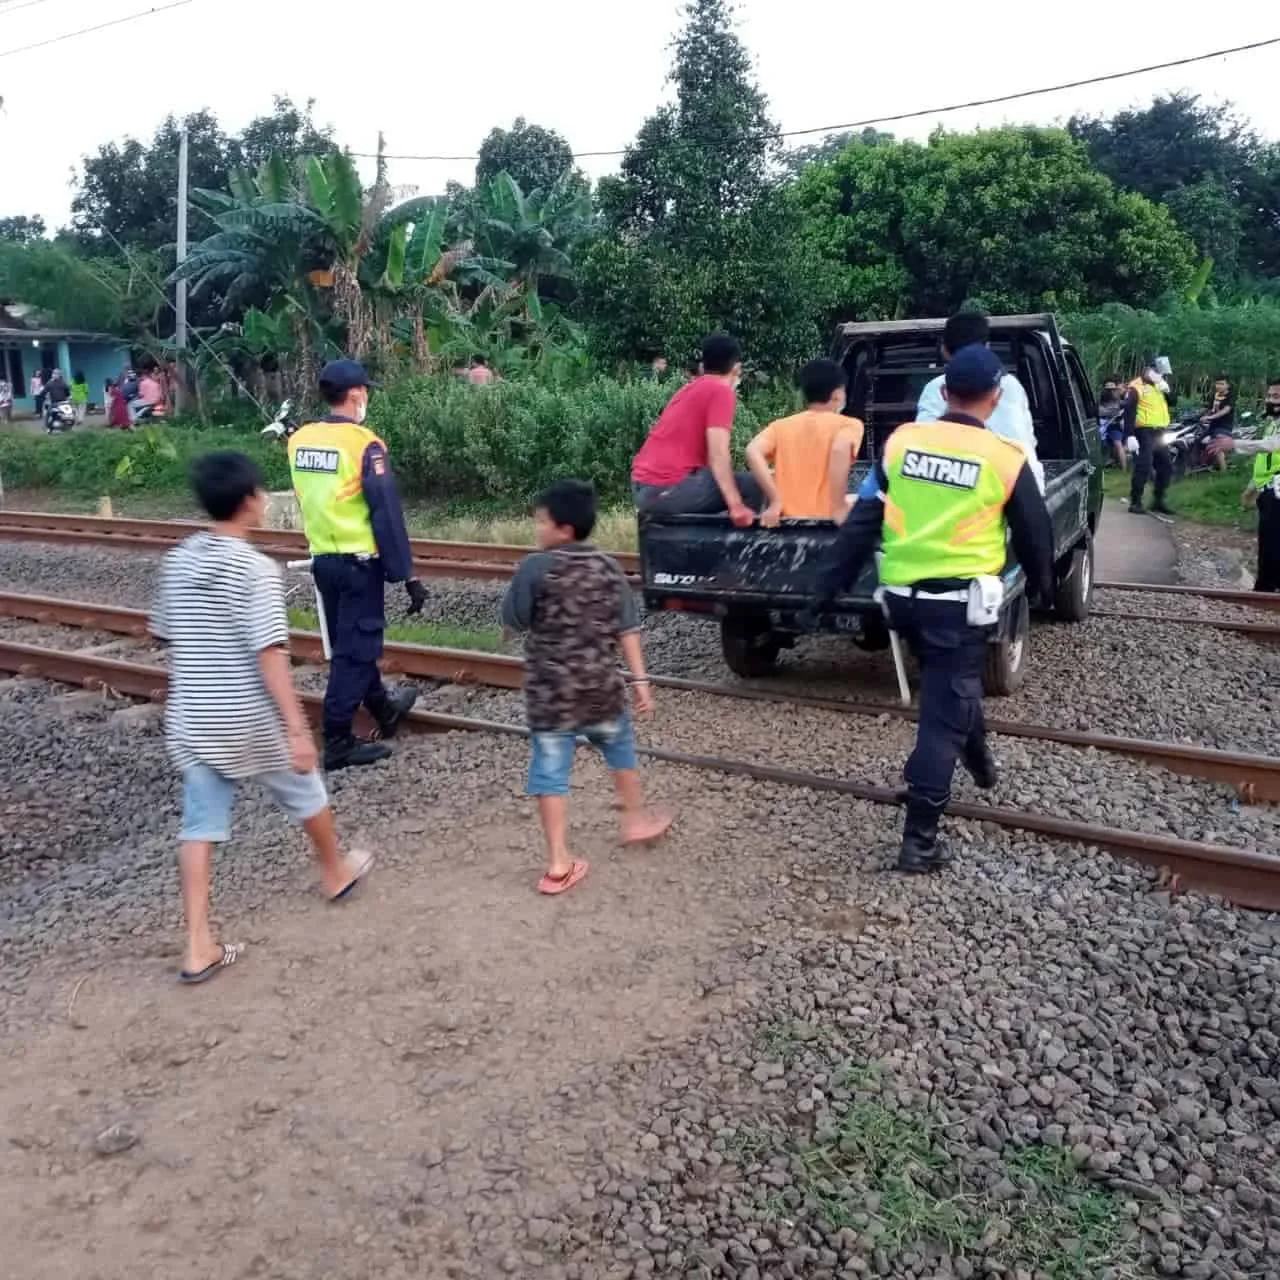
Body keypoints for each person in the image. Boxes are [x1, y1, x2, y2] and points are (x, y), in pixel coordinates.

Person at [812, 346, 1054, 874]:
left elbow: (862, 522)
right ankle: (920, 840)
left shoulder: (901, 443)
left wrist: (826, 589)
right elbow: (1037, 536)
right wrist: (1041, 591)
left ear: (944, 394)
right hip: (959, 609)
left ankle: (980, 759)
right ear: (995, 397)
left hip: (901, 604)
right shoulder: (1005, 458)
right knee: (940, 717)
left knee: (953, 688)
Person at [149, 451, 375, 985]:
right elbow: (269, 652)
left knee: (199, 824)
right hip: (245, 716)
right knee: (306, 789)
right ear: (251, 502)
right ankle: (335, 872)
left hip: (193, 715)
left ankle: (198, 943)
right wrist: (298, 729)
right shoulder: (254, 569)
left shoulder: (179, 559)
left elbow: (162, 630)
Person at [501, 479, 673, 895]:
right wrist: (642, 681)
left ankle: (558, 861)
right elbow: (627, 628)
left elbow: (515, 620)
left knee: (550, 771)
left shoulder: (534, 567)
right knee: (620, 749)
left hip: (551, 695)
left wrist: (511, 630)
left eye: (541, 521)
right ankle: (634, 819)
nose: (537, 528)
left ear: (563, 528)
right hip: (601, 688)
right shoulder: (609, 567)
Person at [287, 359, 428, 770]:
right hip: (358, 563)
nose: (367, 397)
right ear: (355, 394)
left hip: (323, 561)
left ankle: (383, 709)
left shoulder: (300, 440)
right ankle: (337, 740)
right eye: (366, 390)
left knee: (350, 645)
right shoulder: (366, 444)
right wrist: (408, 575)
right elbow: (385, 512)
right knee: (356, 651)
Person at [631, 331, 762, 524]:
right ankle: (738, 548)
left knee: (723, 483)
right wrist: (735, 505)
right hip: (666, 490)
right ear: (737, 368)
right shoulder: (721, 392)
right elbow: (718, 454)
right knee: (756, 484)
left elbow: (709, 459)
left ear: (703, 366)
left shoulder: (688, 389)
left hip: (644, 488)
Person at [915, 312, 1045, 492]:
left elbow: (922, 453)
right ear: (995, 398)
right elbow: (1024, 447)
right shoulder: (1010, 386)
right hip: (1016, 490)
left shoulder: (932, 390)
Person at [744, 358, 864, 524]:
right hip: (826, 523)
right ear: (837, 394)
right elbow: (840, 448)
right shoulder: (849, 425)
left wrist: (775, 500)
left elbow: (752, 450)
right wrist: (839, 507)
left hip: (787, 522)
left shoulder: (781, 427)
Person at [1207, 378, 1280, 592]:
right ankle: (1265, 590)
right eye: (1269, 395)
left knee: (1274, 543)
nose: (1270, 400)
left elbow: (1272, 445)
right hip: (1270, 489)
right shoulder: (1273, 423)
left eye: (1276, 396)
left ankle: (1268, 591)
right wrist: (1252, 487)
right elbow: (1266, 461)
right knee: (1268, 542)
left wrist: (1235, 444)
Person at [1124, 360, 1173, 515]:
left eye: (1162, 374)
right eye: (1158, 373)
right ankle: (1135, 501)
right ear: (1148, 370)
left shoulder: (1159, 386)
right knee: (1144, 466)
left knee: (1166, 466)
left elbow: (1173, 402)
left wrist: (1167, 389)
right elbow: (1129, 412)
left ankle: (1158, 500)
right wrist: (1129, 435)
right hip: (1143, 431)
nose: (1160, 376)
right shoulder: (1136, 387)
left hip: (1160, 431)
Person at [1200, 375, 1235, 471]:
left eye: (1222, 384)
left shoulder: (1230, 396)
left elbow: (1226, 410)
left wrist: (1210, 417)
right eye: (1217, 383)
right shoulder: (1214, 395)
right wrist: (1201, 415)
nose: (1219, 386)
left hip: (1224, 426)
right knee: (1198, 440)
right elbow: (1209, 409)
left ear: (1227, 385)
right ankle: (1202, 465)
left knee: (1217, 445)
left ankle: (1224, 472)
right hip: (1212, 426)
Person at [1098, 375, 1128, 470]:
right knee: (1114, 445)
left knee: (1119, 445)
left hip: (1117, 424)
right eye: (1108, 388)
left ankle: (1121, 465)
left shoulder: (1119, 398)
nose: (1110, 390)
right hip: (1109, 424)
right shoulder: (1102, 398)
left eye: (1112, 388)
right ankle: (1116, 463)